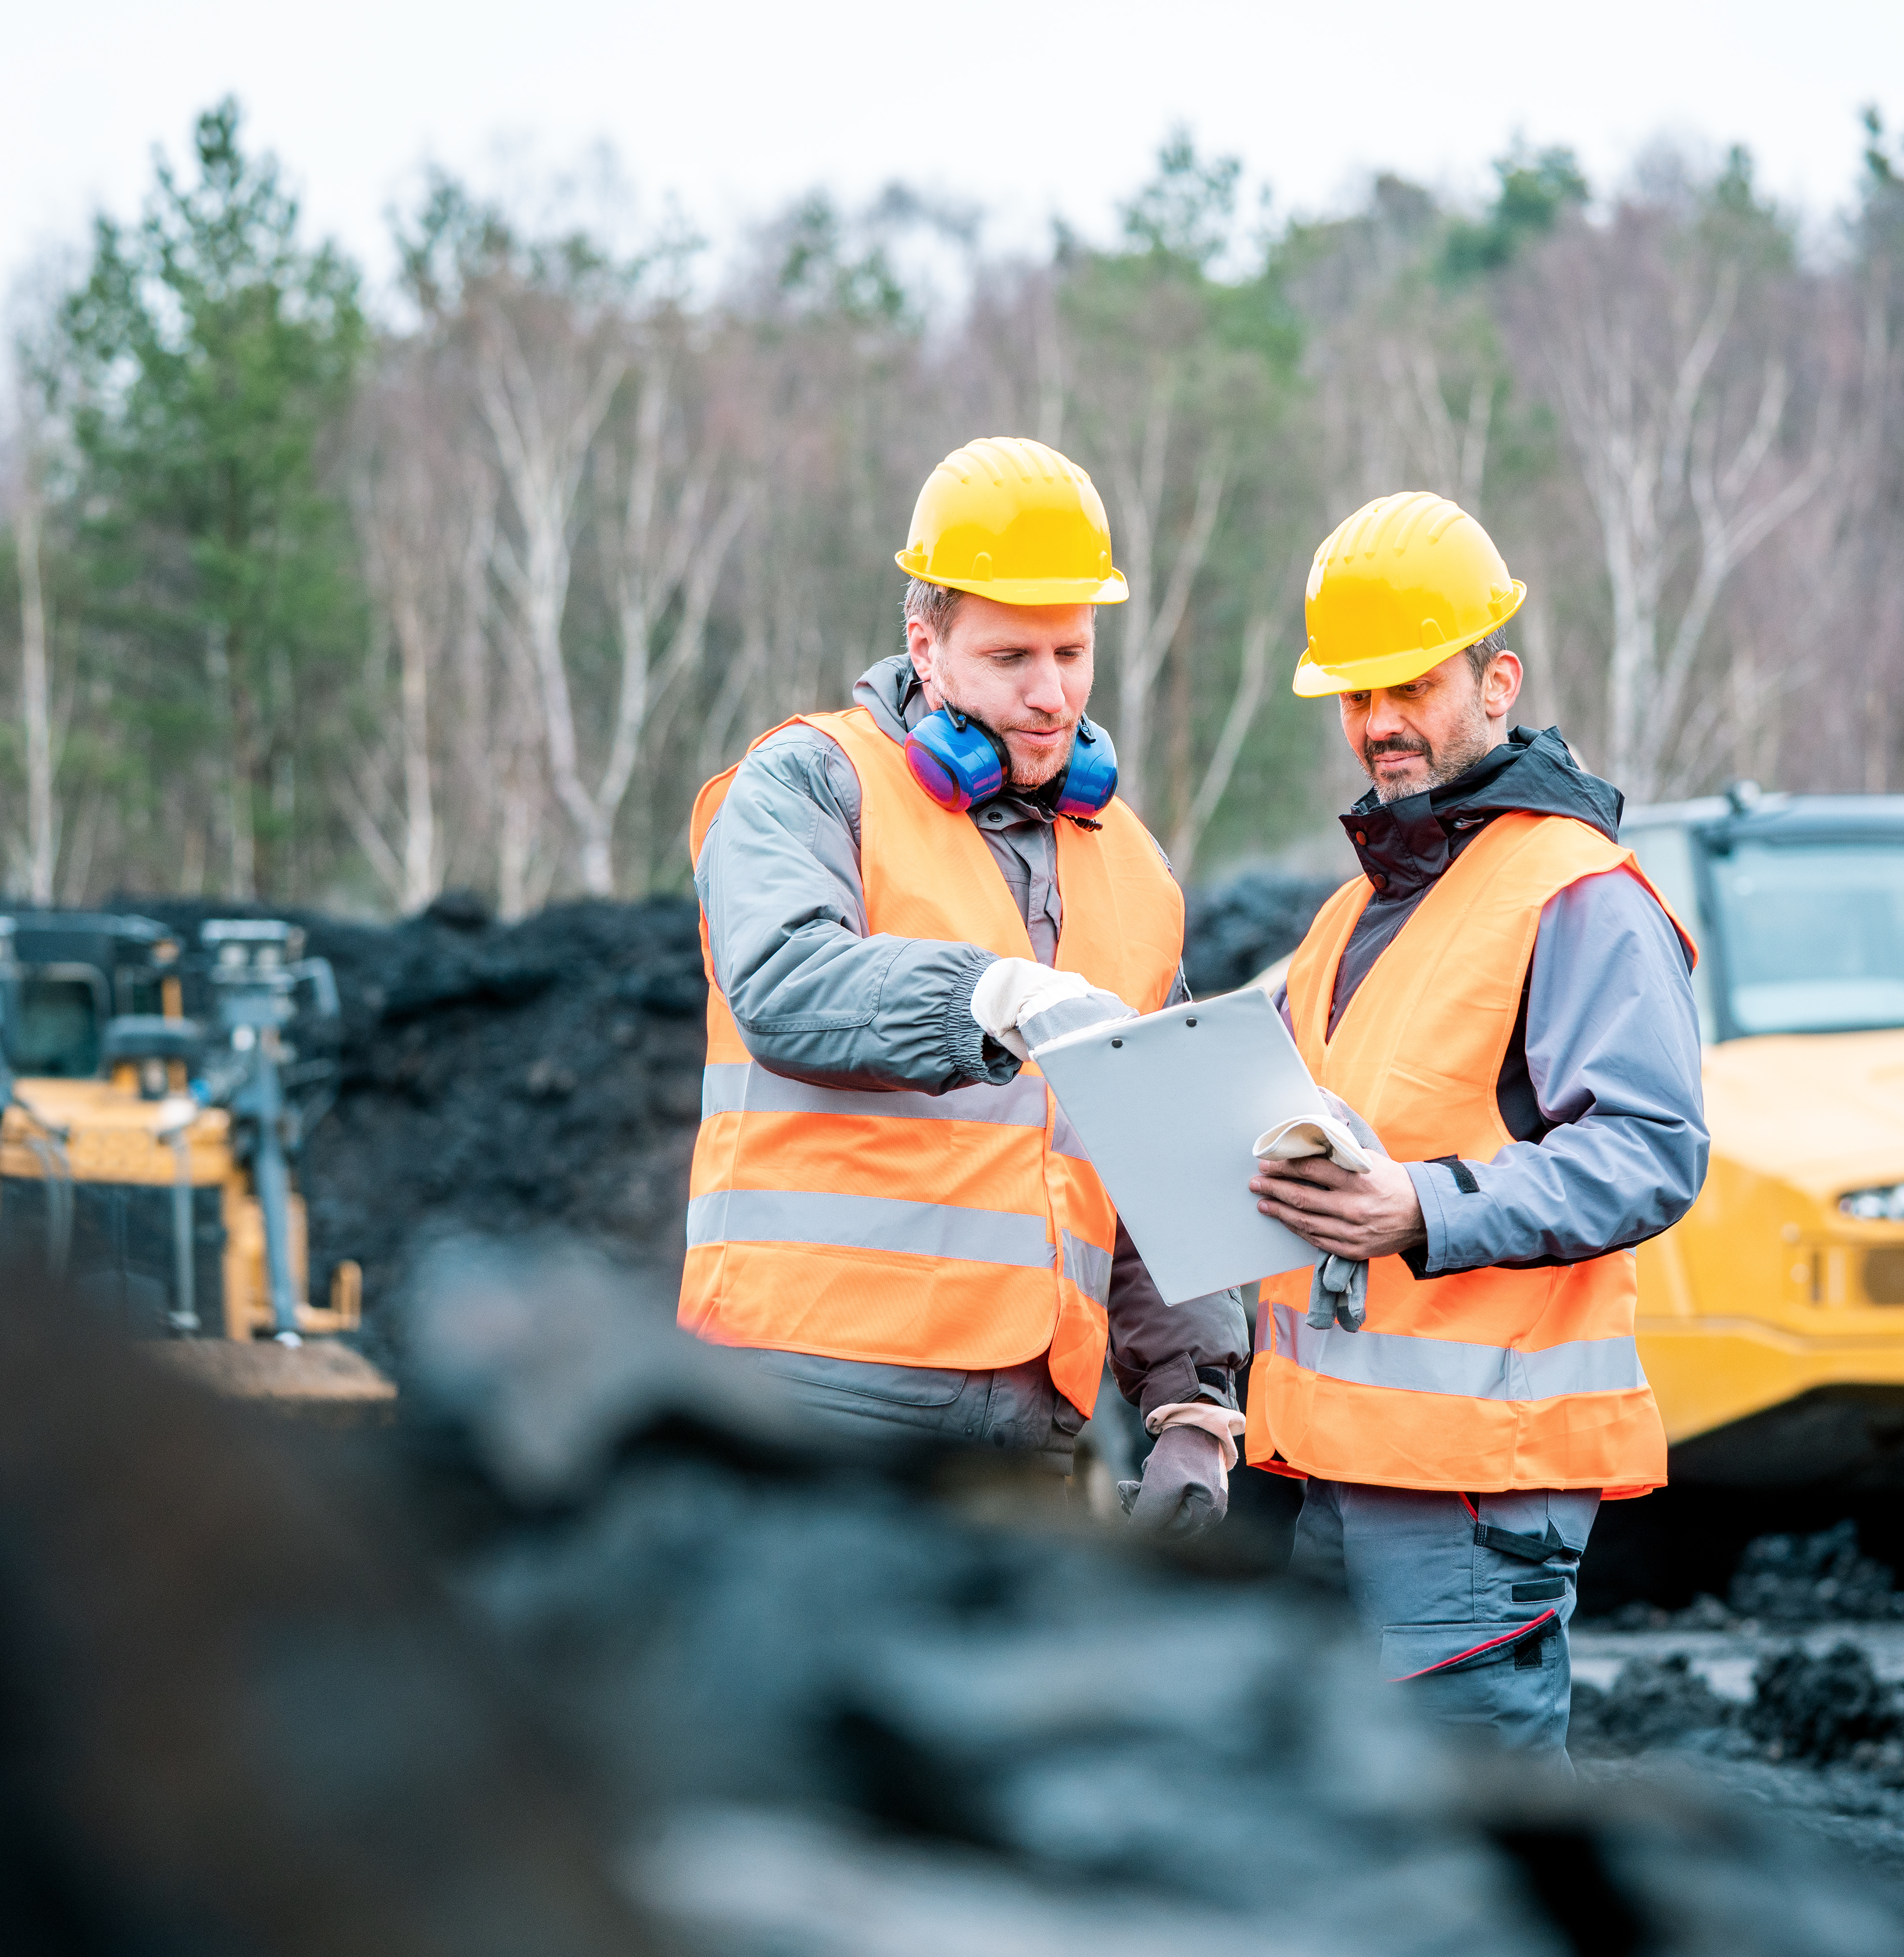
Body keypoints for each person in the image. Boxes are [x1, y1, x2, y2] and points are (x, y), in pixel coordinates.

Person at [682, 437, 1247, 1521]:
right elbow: (782, 980)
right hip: (811, 1402)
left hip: (1027, 1428)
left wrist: (1191, 1412)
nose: (1051, 696)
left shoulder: (1130, 865)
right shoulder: (809, 782)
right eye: (1009, 659)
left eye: (1071, 653)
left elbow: (1166, 1160)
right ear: (924, 647)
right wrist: (986, 995)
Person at [1244, 492, 1709, 1753]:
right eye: (1354, 696)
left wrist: (1421, 1207)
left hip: (1469, 1499)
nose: (1379, 724)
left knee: (1472, 1887)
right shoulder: (1351, 919)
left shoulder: (1577, 892)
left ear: (1497, 679)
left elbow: (1651, 1153)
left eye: (1412, 686)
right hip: (1331, 1479)